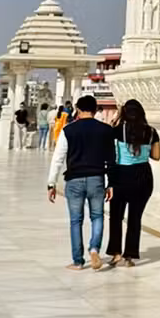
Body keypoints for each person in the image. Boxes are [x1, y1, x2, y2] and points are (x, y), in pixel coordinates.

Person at [47, 95, 115, 271]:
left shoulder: (68, 130)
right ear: (95, 109)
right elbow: (111, 160)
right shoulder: (106, 130)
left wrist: (51, 183)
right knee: (97, 216)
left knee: (76, 220)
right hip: (96, 178)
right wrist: (111, 184)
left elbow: (58, 158)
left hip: (74, 179)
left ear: (78, 109)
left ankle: (78, 261)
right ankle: (94, 248)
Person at [107, 99, 160, 267]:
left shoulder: (117, 131)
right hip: (143, 175)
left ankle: (116, 253)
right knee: (135, 218)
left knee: (116, 216)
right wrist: (143, 152)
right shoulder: (151, 132)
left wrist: (114, 123)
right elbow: (157, 156)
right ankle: (129, 256)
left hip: (122, 175)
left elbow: (110, 153)